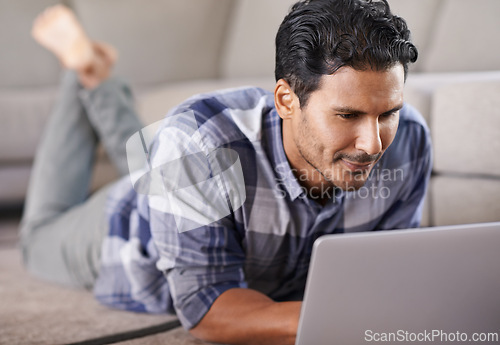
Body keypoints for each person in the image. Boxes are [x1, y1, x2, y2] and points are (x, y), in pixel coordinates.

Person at [20, 1, 432, 344]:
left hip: (187, 174)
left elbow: (381, 276)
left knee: (172, 158)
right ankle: (86, 74)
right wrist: (344, 321)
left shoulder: (409, 141)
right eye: (347, 115)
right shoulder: (198, 139)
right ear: (287, 100)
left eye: (388, 114)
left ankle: (98, 81)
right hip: (125, 227)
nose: (374, 145)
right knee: (38, 234)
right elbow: (206, 308)